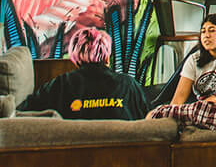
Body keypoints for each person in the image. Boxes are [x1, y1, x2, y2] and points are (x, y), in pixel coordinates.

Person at [18, 27, 148, 120]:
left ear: (75, 57)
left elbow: (23, 111)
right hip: (125, 156)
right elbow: (149, 118)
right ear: (107, 56)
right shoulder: (128, 84)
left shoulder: (60, 84)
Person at [170, 13, 216, 104]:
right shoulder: (194, 59)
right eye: (203, 31)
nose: (206, 35)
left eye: (212, 31)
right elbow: (178, 99)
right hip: (200, 110)